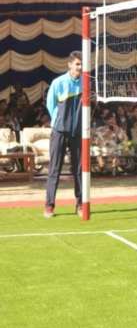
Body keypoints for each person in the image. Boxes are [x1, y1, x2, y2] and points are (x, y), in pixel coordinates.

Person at [44, 51, 83, 218]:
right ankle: (49, 205)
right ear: (70, 65)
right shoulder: (58, 83)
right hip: (59, 131)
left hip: (78, 133)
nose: (80, 68)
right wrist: (59, 121)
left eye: (82, 64)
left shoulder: (86, 83)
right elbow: (50, 104)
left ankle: (80, 204)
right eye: (77, 64)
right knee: (54, 169)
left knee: (79, 169)